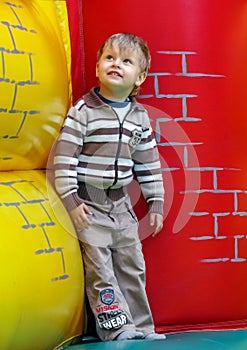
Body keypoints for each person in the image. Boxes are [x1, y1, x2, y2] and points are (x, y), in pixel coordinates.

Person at [53, 33, 166, 342]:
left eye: (126, 61)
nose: (117, 64)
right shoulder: (84, 111)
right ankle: (117, 328)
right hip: (88, 202)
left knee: (132, 265)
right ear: (98, 68)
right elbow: (63, 157)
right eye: (110, 58)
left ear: (139, 77)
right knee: (100, 268)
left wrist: (155, 202)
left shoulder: (139, 116)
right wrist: (72, 201)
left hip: (121, 205)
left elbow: (148, 161)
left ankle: (142, 327)